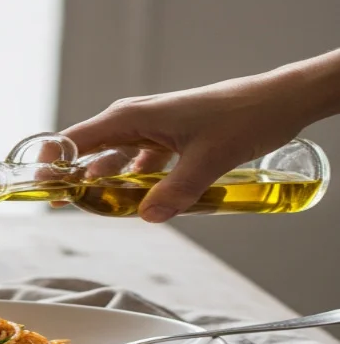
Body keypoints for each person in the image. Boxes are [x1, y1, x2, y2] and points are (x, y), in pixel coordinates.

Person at [57, 48, 340, 223]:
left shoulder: (89, 185)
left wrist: (277, 97)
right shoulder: (90, 190)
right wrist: (287, 96)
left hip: (294, 171)